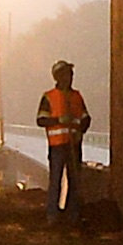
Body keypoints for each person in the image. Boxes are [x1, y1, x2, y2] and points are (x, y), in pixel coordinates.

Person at [36, 59, 92, 217]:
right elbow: (41, 120)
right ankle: (53, 214)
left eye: (71, 74)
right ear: (58, 77)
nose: (70, 77)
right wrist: (59, 120)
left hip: (74, 144)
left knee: (74, 180)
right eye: (66, 74)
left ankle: (72, 213)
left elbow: (85, 117)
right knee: (56, 180)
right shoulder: (49, 97)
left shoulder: (76, 96)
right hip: (57, 146)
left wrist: (81, 130)